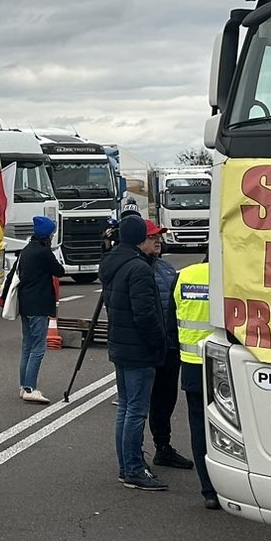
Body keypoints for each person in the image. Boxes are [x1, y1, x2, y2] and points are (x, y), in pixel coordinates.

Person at [100, 212, 168, 491]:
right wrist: (158, 342)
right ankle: (132, 468)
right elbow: (145, 313)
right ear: (141, 238)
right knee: (136, 410)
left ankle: (126, 465)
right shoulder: (138, 268)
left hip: (120, 344)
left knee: (126, 409)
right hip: (139, 348)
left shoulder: (113, 263)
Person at [145, 224, 193, 472]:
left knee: (166, 399)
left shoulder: (165, 268)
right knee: (141, 403)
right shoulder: (136, 269)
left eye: (159, 237)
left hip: (171, 346)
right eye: (152, 237)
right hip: (149, 348)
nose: (158, 241)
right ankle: (134, 457)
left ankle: (163, 447)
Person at [173, 259, 220, 509]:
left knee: (199, 426)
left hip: (190, 362)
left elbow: (175, 311)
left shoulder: (185, 274)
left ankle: (209, 490)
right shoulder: (232, 273)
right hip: (224, 366)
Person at [12, 215, 65, 405]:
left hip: (26, 303)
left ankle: (23, 385)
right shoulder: (43, 253)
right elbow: (59, 271)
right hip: (39, 304)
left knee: (27, 345)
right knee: (38, 348)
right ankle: (30, 388)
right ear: (47, 236)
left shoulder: (26, 250)